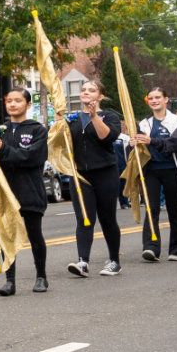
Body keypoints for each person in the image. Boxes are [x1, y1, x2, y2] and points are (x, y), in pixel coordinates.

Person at [0, 87, 50, 294]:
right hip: (5, 191)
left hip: (29, 190)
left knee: (34, 235)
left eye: (18, 101)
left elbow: (31, 157)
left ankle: (41, 276)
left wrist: (3, 149)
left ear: (28, 104)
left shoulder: (37, 130)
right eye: (9, 101)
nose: (12, 104)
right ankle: (10, 281)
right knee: (7, 236)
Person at [63, 80, 125, 278]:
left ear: (100, 96)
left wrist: (94, 117)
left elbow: (106, 137)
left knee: (107, 219)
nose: (86, 93)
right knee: (84, 219)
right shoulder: (71, 119)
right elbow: (60, 144)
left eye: (91, 90)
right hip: (80, 174)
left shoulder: (110, 116)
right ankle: (83, 262)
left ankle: (114, 260)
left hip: (105, 172)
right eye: (83, 90)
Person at [137, 86, 177, 263]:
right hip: (151, 171)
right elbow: (138, 147)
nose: (154, 101)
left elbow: (176, 143)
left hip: (172, 170)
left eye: (157, 97)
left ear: (166, 99)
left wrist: (152, 141)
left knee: (174, 210)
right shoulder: (144, 123)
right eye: (151, 98)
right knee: (151, 209)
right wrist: (134, 143)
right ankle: (151, 248)